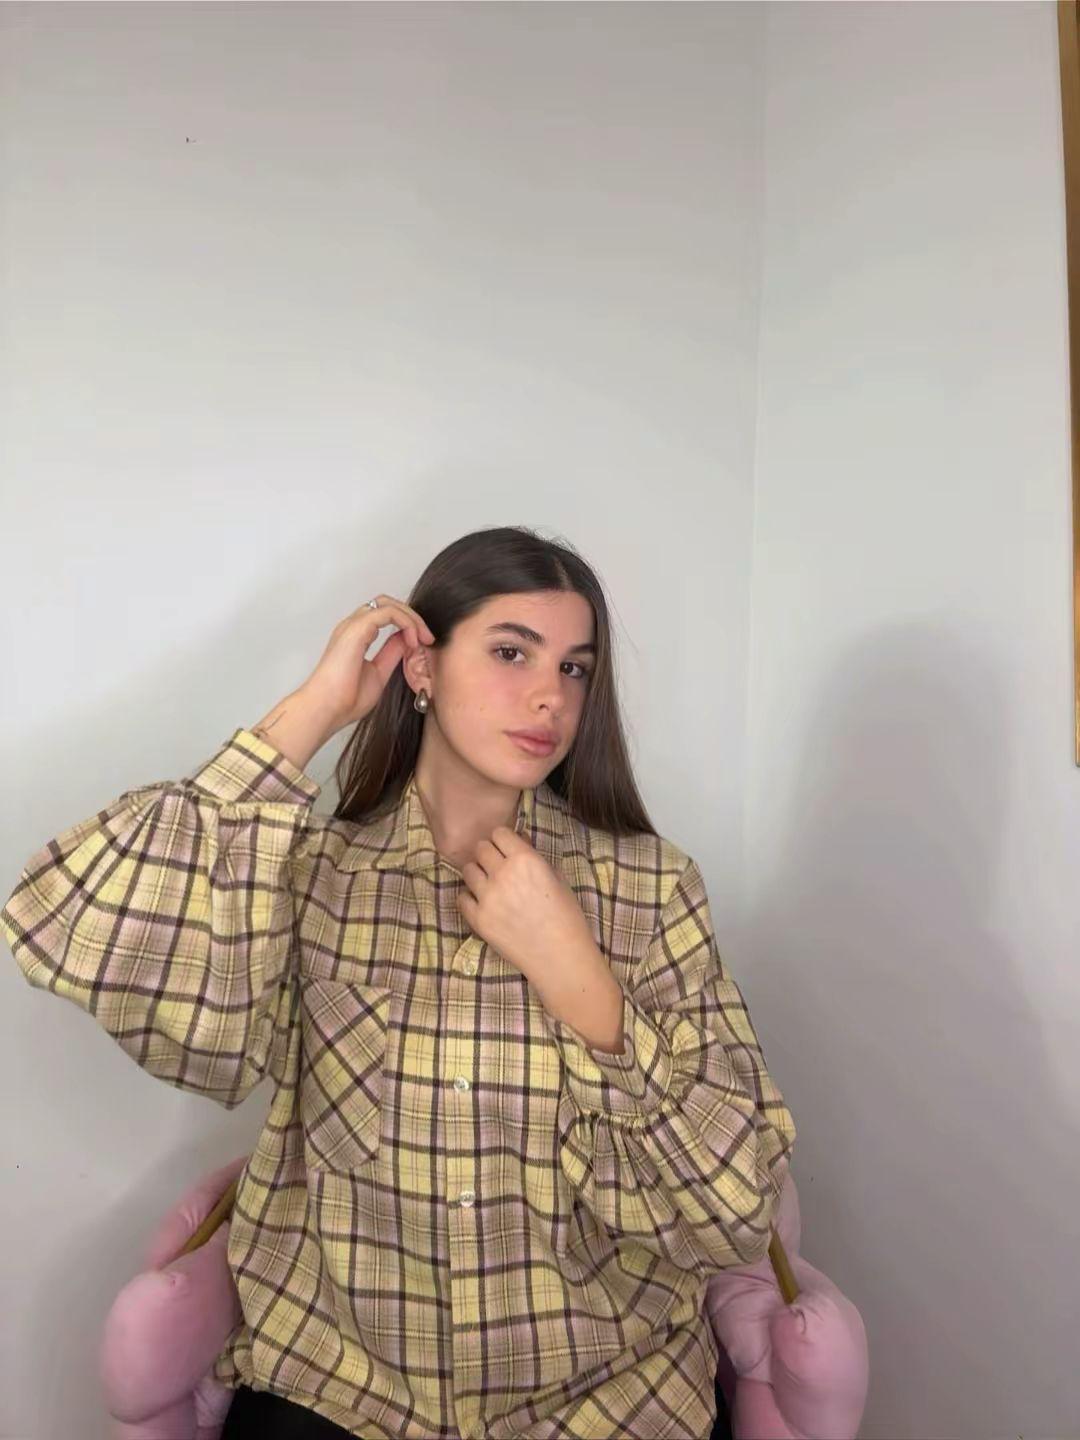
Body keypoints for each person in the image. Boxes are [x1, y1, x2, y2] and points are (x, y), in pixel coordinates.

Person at [1, 525, 793, 1439]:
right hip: (342, 1391)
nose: (551, 695)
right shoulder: (311, 875)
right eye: (511, 653)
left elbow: (736, 1211)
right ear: (423, 667)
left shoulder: (651, 887)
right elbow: (71, 930)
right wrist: (310, 713)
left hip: (604, 1404)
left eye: (575, 668)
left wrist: (578, 977)